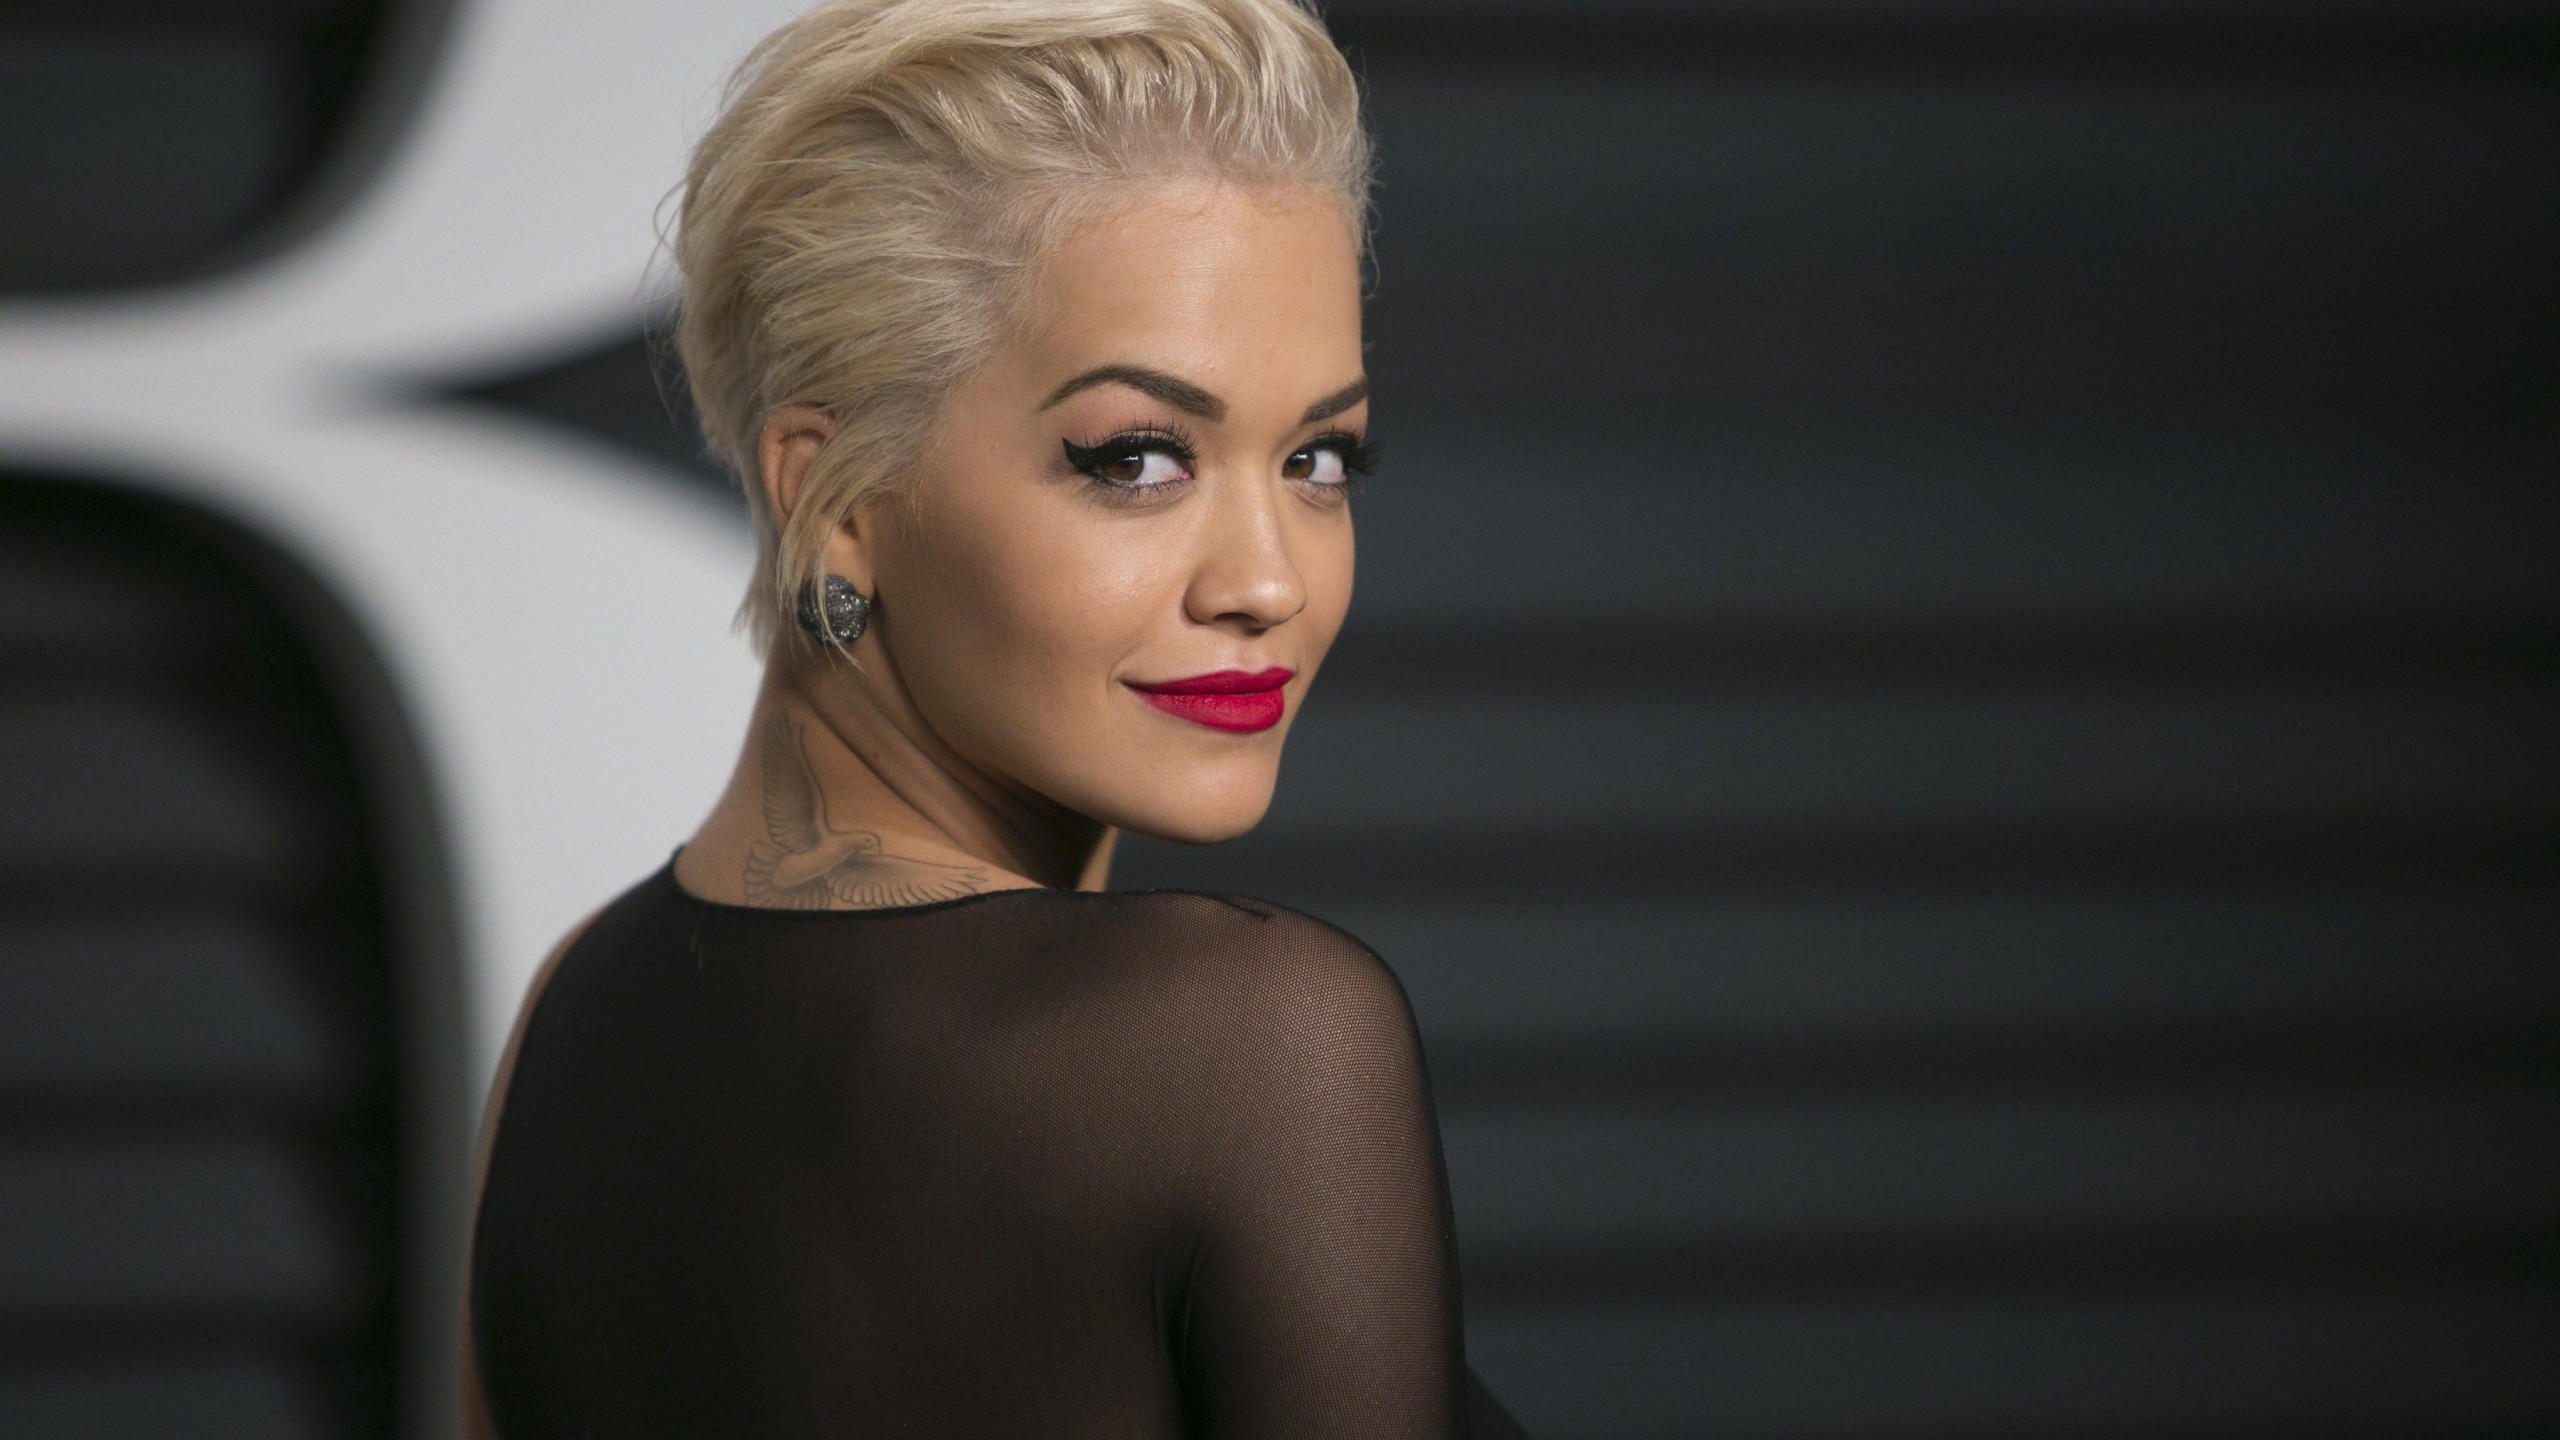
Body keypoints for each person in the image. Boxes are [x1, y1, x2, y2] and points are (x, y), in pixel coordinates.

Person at [461, 0, 1532, 1434]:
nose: (1269, 580)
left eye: (1320, 461)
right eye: (1138, 458)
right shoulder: (1249, 1048)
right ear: (836, 497)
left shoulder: (567, 1020)